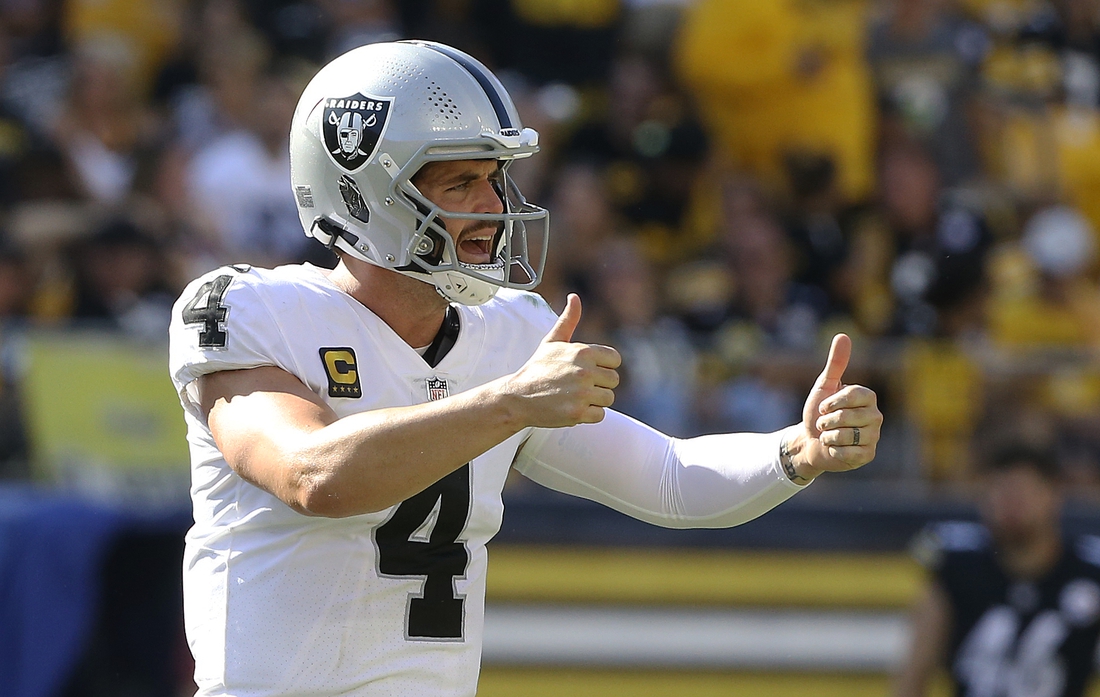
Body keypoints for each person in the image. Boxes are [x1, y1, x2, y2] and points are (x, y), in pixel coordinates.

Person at [168, 41, 883, 697]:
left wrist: (797, 450)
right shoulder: (249, 307)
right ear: (365, 192)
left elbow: (671, 479)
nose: (494, 207)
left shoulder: (508, 332)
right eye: (460, 184)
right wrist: (506, 403)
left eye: (496, 178)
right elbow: (311, 475)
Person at [894, 445, 1100, 697]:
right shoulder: (958, 567)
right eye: (999, 491)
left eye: (1022, 491)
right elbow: (915, 670)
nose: (1010, 503)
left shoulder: (1088, 572)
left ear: (1054, 495)